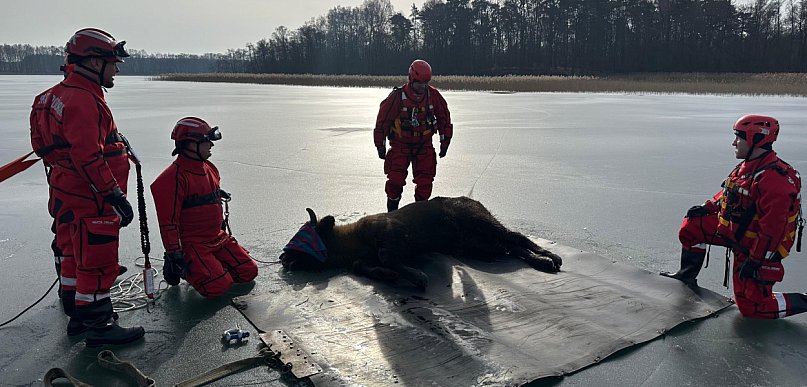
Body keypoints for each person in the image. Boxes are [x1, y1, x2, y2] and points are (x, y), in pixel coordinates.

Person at [29, 28, 145, 346]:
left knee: (71, 251)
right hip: (91, 195)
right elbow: (88, 156)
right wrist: (113, 194)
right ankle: (98, 325)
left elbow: (43, 147)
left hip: (66, 191)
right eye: (112, 62)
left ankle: (77, 314)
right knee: (96, 257)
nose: (117, 69)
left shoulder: (49, 98)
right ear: (94, 62)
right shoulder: (83, 101)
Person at [661, 114, 805, 319]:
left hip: (758, 248)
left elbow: (772, 231)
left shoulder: (775, 181)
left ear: (756, 139)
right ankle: (687, 276)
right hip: (735, 232)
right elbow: (730, 193)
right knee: (693, 226)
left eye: (739, 137)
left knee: (753, 308)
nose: (734, 142)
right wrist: (707, 207)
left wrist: (755, 262)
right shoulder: (748, 166)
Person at [151, 117, 258, 298]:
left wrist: (215, 194)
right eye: (206, 141)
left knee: (248, 272)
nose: (211, 146)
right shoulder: (170, 179)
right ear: (191, 145)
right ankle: (188, 269)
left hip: (217, 238)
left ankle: (210, 266)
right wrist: (174, 254)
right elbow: (168, 223)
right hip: (193, 244)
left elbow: (201, 190)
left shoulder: (210, 168)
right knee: (217, 287)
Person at [373, 59, 453, 212]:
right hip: (400, 146)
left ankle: (419, 215)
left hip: (424, 147)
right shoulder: (397, 97)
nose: (423, 86)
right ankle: (392, 212)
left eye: (426, 83)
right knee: (395, 182)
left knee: (425, 183)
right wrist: (379, 145)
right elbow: (382, 122)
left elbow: (444, 119)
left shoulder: (434, 96)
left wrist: (445, 143)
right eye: (420, 83)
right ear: (411, 79)